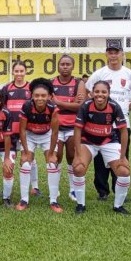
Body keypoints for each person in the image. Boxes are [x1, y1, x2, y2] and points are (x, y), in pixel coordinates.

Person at [85, 41, 131, 202]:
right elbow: (88, 91)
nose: (113, 55)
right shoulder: (99, 74)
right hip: (100, 125)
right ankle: (102, 191)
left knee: (121, 157)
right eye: (110, 52)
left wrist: (127, 108)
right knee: (100, 159)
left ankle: (119, 190)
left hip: (122, 126)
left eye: (117, 52)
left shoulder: (129, 74)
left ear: (122, 54)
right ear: (106, 54)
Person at [71, 81, 131, 215]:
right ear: (92, 93)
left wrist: (123, 157)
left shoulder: (114, 106)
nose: (100, 95)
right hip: (88, 142)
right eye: (97, 91)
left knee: (124, 171)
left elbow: (123, 131)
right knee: (78, 167)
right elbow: (77, 130)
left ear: (108, 93)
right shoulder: (86, 106)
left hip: (109, 142)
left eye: (104, 92)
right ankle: (81, 204)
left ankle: (118, 206)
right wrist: (78, 154)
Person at [17, 78, 60, 212]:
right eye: (36, 95)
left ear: (49, 96)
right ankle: (24, 200)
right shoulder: (27, 106)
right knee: (25, 163)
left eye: (43, 95)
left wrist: (52, 152)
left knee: (53, 163)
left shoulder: (53, 108)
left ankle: (53, 201)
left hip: (47, 135)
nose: (40, 98)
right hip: (30, 135)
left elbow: (54, 133)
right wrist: (25, 151)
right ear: (32, 96)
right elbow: (22, 130)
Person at [51, 55, 86, 202]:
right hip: (56, 127)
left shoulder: (79, 83)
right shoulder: (51, 83)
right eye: (62, 64)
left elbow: (80, 106)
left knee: (72, 156)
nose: (65, 67)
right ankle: (55, 189)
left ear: (72, 67)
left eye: (68, 64)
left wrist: (58, 102)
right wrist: (71, 102)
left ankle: (73, 190)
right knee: (56, 157)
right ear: (58, 66)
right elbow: (49, 103)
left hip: (73, 127)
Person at [1, 61, 37, 197]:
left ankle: (35, 187)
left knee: (29, 159)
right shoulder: (6, 88)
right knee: (10, 160)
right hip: (10, 131)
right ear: (13, 72)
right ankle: (7, 189)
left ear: (26, 72)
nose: (19, 74)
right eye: (17, 71)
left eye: (22, 71)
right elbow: (2, 109)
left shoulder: (31, 88)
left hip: (25, 131)